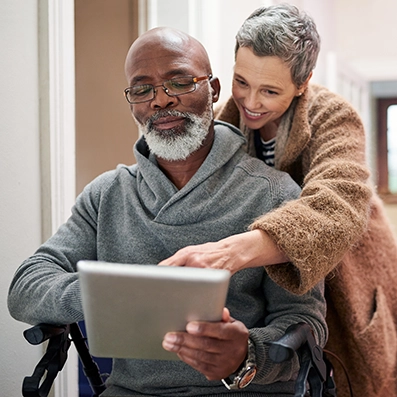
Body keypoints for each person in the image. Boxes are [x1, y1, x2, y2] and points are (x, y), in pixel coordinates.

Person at [8, 27, 327, 397]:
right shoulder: (108, 194)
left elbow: (305, 323)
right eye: (142, 89)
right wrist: (113, 294)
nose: (160, 101)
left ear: (214, 90)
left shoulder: (274, 193)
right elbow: (26, 287)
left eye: (179, 82)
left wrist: (247, 356)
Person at [158, 4, 397, 397]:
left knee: (354, 381)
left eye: (270, 90)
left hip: (348, 280)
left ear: (302, 84)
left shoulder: (333, 117)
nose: (251, 101)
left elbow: (339, 201)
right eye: (241, 81)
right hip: (278, 298)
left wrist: (233, 252)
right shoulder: (223, 123)